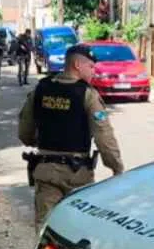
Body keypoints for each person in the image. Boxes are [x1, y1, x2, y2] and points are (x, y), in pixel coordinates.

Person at [18, 44, 124, 229]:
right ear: (77, 65)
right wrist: (116, 166)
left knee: (45, 227)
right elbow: (103, 135)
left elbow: (25, 132)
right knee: (77, 229)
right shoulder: (88, 95)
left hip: (46, 171)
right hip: (77, 175)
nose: (94, 72)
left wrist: (41, 140)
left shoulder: (41, 89)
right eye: (91, 67)